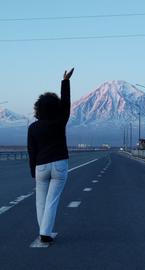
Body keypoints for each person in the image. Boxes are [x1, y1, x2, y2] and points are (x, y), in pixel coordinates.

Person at [27, 68, 74, 243]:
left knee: (40, 201)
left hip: (41, 166)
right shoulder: (60, 122)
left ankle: (44, 232)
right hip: (60, 165)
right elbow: (67, 103)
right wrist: (65, 81)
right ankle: (45, 233)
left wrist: (33, 171)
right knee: (52, 201)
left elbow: (31, 151)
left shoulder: (32, 128)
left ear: (38, 108)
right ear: (56, 107)